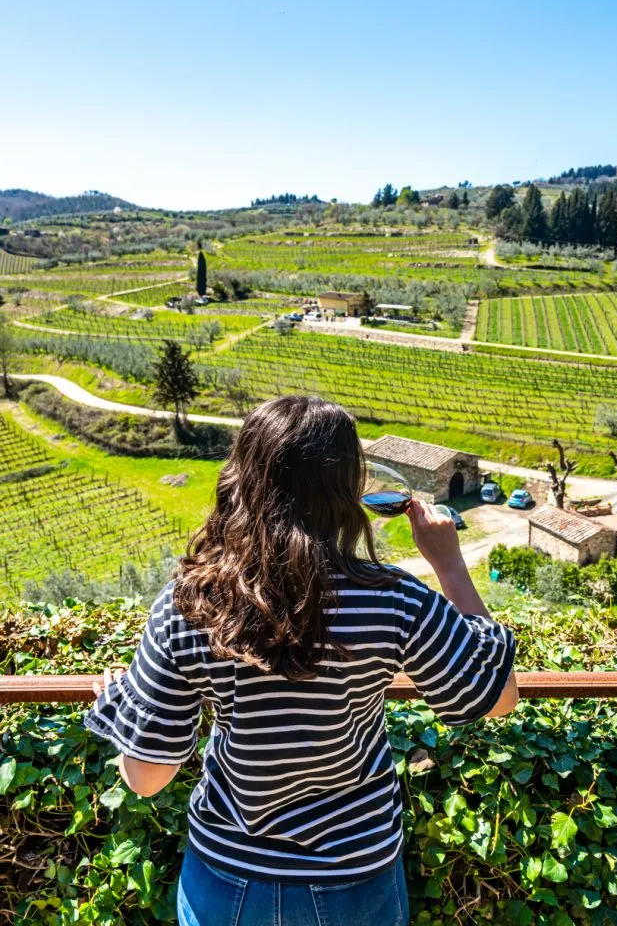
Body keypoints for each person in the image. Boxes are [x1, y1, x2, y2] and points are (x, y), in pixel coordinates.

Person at [86, 396, 517, 926]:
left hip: (226, 883)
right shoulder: (393, 600)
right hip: (355, 883)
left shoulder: (187, 604)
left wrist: (123, 705)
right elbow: (498, 699)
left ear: (242, 478)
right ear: (346, 491)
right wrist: (449, 566)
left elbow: (146, 779)